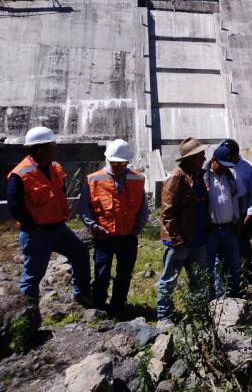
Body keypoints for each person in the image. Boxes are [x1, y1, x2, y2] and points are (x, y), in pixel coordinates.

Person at [7, 126, 92, 305]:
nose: (57, 150)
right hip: (37, 233)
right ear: (40, 150)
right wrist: (32, 227)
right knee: (32, 276)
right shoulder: (20, 174)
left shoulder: (54, 167)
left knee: (80, 253)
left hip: (58, 228)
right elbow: (14, 205)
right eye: (52, 147)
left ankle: (82, 294)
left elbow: (59, 191)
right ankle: (26, 315)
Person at [79, 139, 148, 318]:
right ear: (108, 159)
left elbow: (143, 207)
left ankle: (118, 307)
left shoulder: (137, 179)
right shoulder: (93, 180)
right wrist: (94, 227)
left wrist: (138, 227)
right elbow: (85, 208)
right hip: (104, 237)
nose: (118, 167)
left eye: (122, 164)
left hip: (128, 237)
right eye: (115, 163)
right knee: (102, 274)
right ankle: (99, 307)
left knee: (124, 274)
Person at [156, 137, 209, 322]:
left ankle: (197, 314)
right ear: (190, 157)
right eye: (201, 155)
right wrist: (177, 239)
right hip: (180, 241)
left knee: (198, 280)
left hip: (198, 239)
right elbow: (167, 212)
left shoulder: (198, 176)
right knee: (169, 280)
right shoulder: (177, 177)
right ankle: (164, 316)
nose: (204, 158)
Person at [218, 139, 252, 286]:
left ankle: (249, 277)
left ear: (237, 154)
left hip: (244, 215)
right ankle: (228, 279)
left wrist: (249, 214)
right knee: (227, 249)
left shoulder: (249, 168)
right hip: (227, 216)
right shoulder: (221, 166)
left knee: (242, 246)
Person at [204, 144, 244, 298]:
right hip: (211, 231)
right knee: (210, 266)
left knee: (234, 264)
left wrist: (238, 221)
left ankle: (234, 297)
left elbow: (237, 200)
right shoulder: (204, 177)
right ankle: (211, 299)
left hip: (229, 229)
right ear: (213, 160)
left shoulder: (230, 177)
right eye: (222, 165)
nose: (224, 168)